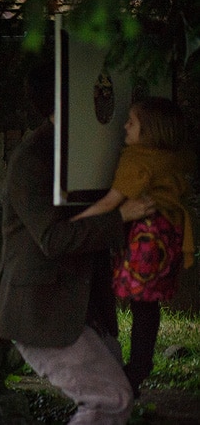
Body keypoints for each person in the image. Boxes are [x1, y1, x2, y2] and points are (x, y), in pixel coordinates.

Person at [0, 62, 156, 424]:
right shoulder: (32, 159)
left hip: (83, 310)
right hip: (43, 311)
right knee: (111, 400)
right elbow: (54, 239)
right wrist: (121, 216)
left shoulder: (86, 149)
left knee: (116, 401)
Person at [71, 97, 196, 394]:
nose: (124, 126)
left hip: (147, 238)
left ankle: (135, 368)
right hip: (170, 234)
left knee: (139, 302)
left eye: (132, 122)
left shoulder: (137, 159)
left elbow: (110, 202)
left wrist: (74, 223)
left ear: (150, 130)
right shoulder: (173, 156)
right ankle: (139, 366)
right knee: (147, 305)